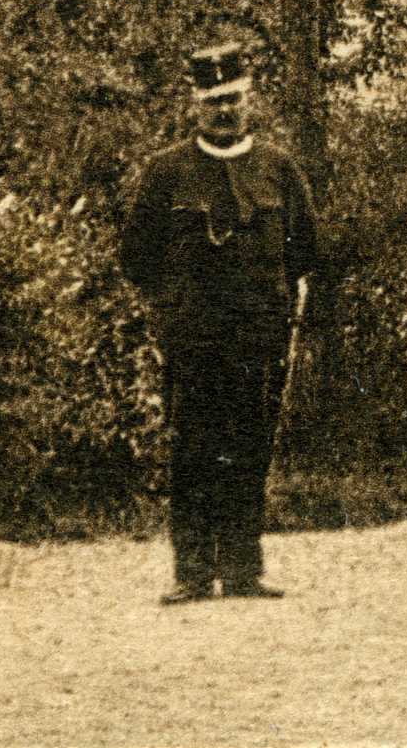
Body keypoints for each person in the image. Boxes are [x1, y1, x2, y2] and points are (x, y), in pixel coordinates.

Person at [119, 32, 320, 605]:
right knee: (193, 451)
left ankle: (241, 568)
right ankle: (190, 571)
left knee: (251, 448)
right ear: (194, 105)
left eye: (233, 99)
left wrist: (279, 311)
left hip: (259, 338)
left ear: (249, 99)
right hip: (194, 340)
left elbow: (305, 251)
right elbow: (137, 257)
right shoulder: (167, 173)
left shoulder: (279, 170)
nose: (225, 111)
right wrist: (175, 311)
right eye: (213, 102)